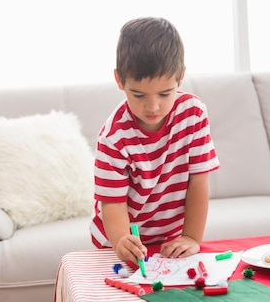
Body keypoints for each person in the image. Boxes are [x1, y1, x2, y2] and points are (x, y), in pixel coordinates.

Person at [90, 17, 220, 265]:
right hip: (118, 240)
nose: (153, 107)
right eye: (138, 95)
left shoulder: (193, 113)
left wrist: (192, 237)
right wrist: (121, 241)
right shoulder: (113, 137)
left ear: (181, 77)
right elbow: (112, 204)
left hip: (170, 240)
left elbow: (198, 180)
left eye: (165, 93)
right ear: (119, 80)